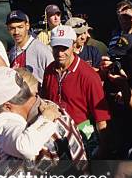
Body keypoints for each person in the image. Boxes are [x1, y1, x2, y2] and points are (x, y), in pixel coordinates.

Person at [42, 25, 111, 157]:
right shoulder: (49, 70)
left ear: (74, 46)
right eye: (56, 47)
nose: (60, 53)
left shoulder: (88, 75)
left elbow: (101, 118)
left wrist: (103, 150)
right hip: (55, 133)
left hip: (83, 131)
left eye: (64, 48)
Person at [6, 10, 54, 84]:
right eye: (12, 28)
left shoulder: (41, 50)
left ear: (27, 26)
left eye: (20, 27)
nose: (16, 32)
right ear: (8, 29)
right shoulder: (12, 52)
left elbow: (53, 78)